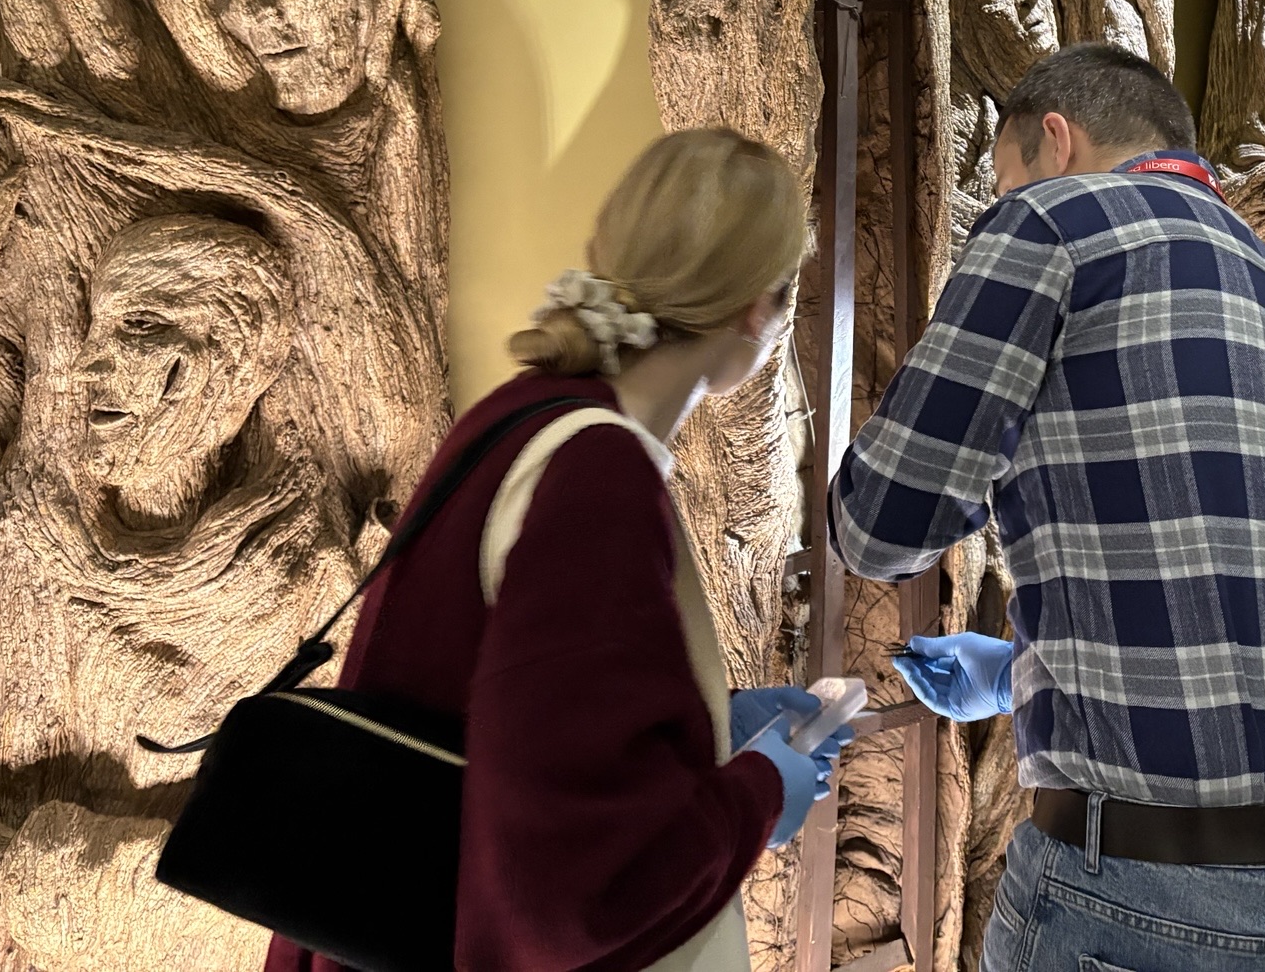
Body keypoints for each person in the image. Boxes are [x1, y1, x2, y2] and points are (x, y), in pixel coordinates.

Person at [831, 43, 1265, 972]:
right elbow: (1251, 602)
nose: (1005, 202)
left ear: (1056, 140)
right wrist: (1016, 676)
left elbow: (880, 526)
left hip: (1160, 895)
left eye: (1004, 181)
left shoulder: (1051, 220)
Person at [266, 128, 853, 972]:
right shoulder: (597, 476)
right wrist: (756, 796)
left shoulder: (529, 413)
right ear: (757, 311)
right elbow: (571, 894)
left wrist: (706, 727)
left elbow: (522, 709)